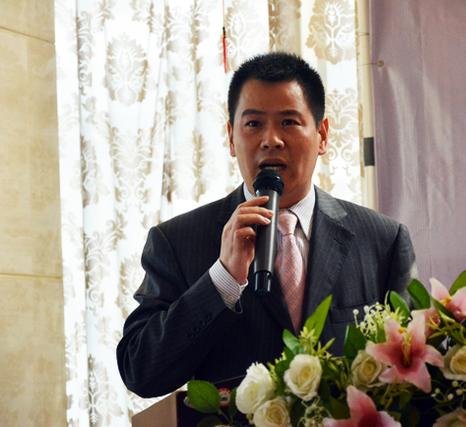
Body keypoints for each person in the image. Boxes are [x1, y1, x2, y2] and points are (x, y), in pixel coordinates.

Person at [116, 52, 416, 398]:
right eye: (253, 124)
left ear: (322, 135)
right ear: (231, 137)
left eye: (288, 122)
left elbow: (413, 371)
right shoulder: (176, 241)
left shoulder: (382, 240)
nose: (271, 139)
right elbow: (141, 373)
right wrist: (223, 279)